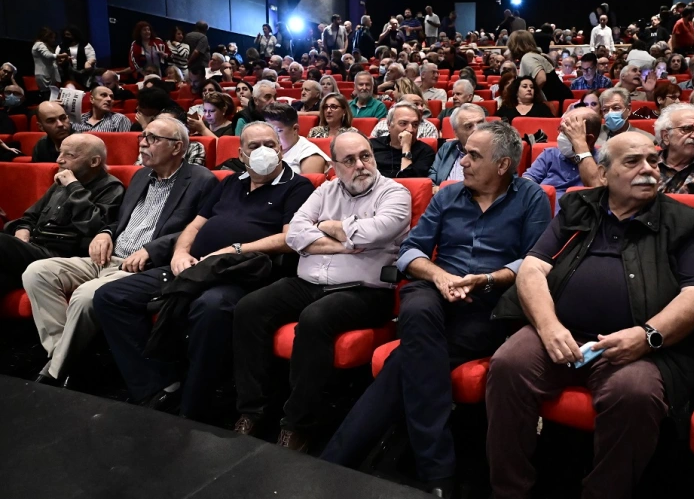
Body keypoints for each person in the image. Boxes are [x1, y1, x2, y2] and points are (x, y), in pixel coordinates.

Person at [323, 122, 551, 497]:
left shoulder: (531, 198)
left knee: (405, 360)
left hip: (489, 300)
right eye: (463, 153)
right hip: (436, 289)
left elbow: (535, 261)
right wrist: (441, 276)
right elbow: (411, 250)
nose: (463, 161)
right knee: (416, 310)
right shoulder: (448, 195)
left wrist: (487, 279)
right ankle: (436, 472)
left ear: (503, 165)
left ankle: (353, 460)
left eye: (473, 155)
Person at [485, 131, 694, 499]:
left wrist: (646, 335)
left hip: (636, 346)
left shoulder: (682, 220)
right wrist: (548, 326)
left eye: (652, 161)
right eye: (632, 161)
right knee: (508, 365)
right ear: (603, 174)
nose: (648, 170)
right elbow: (532, 268)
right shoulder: (578, 206)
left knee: (635, 393)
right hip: (561, 330)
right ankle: (509, 491)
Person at [92, 123, 315, 420]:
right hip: (195, 267)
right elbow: (195, 225)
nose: (263, 151)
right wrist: (181, 252)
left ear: (281, 149)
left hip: (242, 273)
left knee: (210, 307)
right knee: (110, 296)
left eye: (270, 145)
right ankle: (157, 387)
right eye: (254, 146)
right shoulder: (231, 182)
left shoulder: (297, 186)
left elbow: (288, 239)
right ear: (241, 154)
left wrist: (235, 249)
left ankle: (195, 404)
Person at [232, 130, 412, 447]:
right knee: (250, 307)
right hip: (309, 282)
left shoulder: (395, 193)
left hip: (366, 291)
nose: (361, 165)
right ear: (335, 166)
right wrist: (344, 244)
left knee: (315, 318)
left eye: (365, 156)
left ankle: (298, 423)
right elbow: (294, 235)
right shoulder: (325, 191)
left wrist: (324, 227)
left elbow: (375, 232)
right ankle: (254, 410)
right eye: (349, 160)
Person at [24, 117, 217, 385]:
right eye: (143, 136)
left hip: (142, 266)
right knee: (37, 272)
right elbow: (120, 220)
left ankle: (54, 373)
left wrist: (152, 248)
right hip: (109, 255)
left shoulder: (201, 180)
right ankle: (63, 357)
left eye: (153, 138)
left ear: (177, 147)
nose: (143, 143)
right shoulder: (140, 176)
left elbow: (200, 230)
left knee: (85, 294)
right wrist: (105, 232)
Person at [1, 134, 124, 296]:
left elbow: (93, 226)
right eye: (60, 153)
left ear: (94, 161)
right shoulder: (62, 181)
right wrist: (22, 229)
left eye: (69, 155)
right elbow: (30, 216)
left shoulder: (111, 187)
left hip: (64, 257)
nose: (59, 159)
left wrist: (73, 186)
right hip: (35, 247)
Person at [524, 106, 603, 212]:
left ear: (589, 139)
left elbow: (598, 191)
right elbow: (527, 182)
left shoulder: (603, 160)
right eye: (561, 129)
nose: (560, 136)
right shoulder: (549, 154)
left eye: (568, 132)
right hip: (542, 213)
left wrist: (580, 147)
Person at [369, 102, 435, 178]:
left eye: (415, 124)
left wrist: (406, 147)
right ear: (389, 125)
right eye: (403, 123)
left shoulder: (425, 152)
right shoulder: (372, 146)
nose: (410, 130)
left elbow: (409, 181)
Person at [261, 102, 329, 174]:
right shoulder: (265, 148)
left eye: (279, 131)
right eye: (269, 131)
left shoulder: (310, 156)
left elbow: (309, 181)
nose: (272, 137)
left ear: (295, 129)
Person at [508, 30, 573, 103]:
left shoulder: (528, 57)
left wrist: (529, 97)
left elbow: (541, 79)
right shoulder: (536, 55)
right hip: (561, 97)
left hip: (556, 100)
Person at [429, 104, 486, 185]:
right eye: (469, 126)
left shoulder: (496, 150)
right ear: (456, 133)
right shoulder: (447, 148)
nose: (477, 129)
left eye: (481, 124)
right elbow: (432, 178)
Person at [32, 27, 65, 99]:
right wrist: (62, 55)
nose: (53, 40)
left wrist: (59, 61)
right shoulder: (39, 44)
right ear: (46, 37)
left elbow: (49, 60)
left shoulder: (46, 46)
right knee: (47, 95)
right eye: (51, 38)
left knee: (51, 95)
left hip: (48, 74)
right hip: (44, 74)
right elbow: (48, 56)